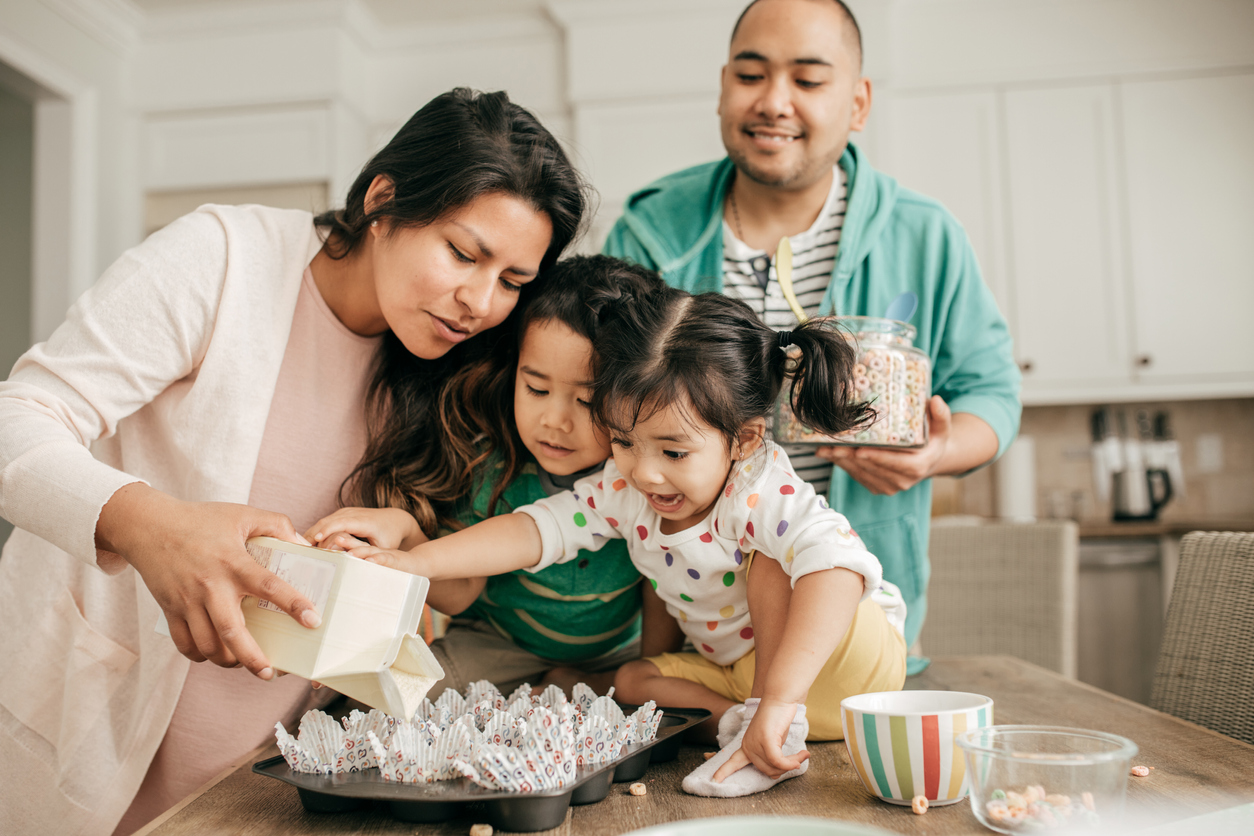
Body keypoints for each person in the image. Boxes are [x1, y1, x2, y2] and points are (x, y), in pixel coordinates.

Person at [0, 88, 587, 836]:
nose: (479, 301)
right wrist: (151, 525)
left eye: (512, 281)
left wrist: (410, 539)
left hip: (266, 783)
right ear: (384, 199)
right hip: (80, 735)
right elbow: (17, 420)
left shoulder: (465, 370)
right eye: (463, 253)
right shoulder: (224, 257)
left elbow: (459, 585)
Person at [341, 288, 909, 798]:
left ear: (743, 440)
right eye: (623, 442)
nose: (646, 473)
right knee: (636, 683)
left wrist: (780, 699)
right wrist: (413, 561)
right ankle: (749, 734)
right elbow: (535, 530)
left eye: (674, 452)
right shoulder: (625, 487)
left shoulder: (759, 484)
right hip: (752, 680)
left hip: (843, 662)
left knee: (772, 561)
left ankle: (766, 720)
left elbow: (838, 568)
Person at [602, 0, 1022, 666]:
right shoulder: (654, 232)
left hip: (855, 633)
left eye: (807, 79)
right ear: (722, 87)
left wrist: (932, 456)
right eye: (750, 75)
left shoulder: (925, 235)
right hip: (689, 630)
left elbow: (994, 394)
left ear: (858, 103)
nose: (774, 101)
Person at [307, 255, 669, 699]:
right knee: (400, 695)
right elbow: (458, 594)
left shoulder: (648, 478)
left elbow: (665, 587)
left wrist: (652, 675)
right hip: (497, 643)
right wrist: (406, 540)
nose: (554, 420)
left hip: (619, 654)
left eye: (588, 401)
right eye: (536, 389)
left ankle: (578, 689)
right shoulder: (491, 465)